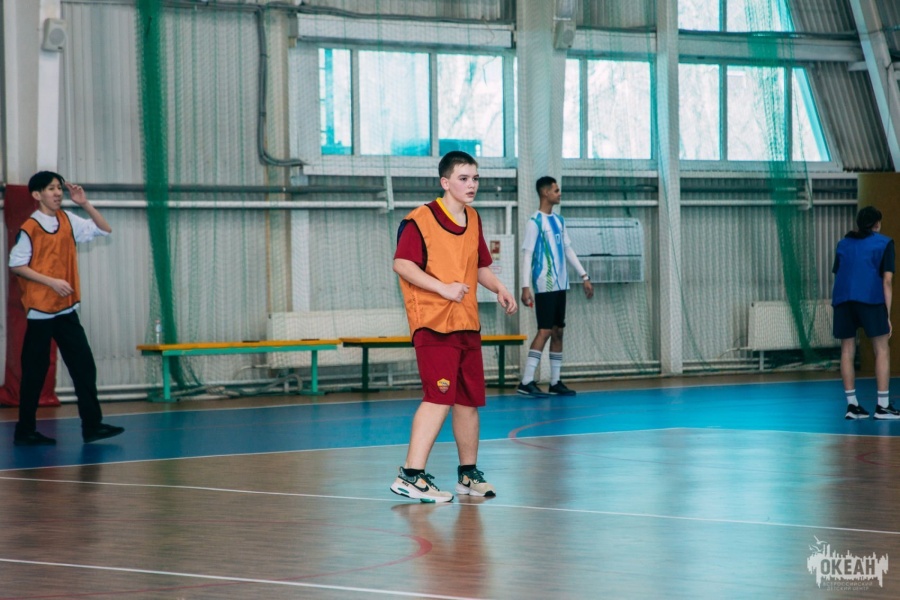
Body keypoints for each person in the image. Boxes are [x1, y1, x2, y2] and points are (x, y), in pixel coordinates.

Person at [390, 151, 517, 503]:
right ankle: (410, 475)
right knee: (438, 397)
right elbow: (402, 264)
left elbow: (478, 266)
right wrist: (443, 288)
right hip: (433, 323)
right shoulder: (421, 219)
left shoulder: (473, 218)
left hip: (466, 323)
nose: (471, 184)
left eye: (475, 178)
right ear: (445, 182)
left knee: (467, 402)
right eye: (463, 178)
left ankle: (467, 474)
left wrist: (499, 287)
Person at [9, 171, 126, 445]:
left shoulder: (67, 219)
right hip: (40, 310)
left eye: (59, 188)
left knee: (84, 366)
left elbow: (104, 229)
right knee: (35, 373)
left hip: (64, 310)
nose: (57, 193)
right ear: (37, 195)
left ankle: (92, 426)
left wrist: (84, 203)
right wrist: (51, 282)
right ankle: (25, 431)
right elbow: (16, 265)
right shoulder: (30, 228)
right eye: (51, 188)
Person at [517, 176, 593, 397]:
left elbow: (568, 249)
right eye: (556, 190)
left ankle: (555, 382)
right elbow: (527, 255)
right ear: (545, 193)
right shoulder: (535, 222)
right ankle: (526, 381)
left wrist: (584, 275)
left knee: (558, 331)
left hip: (561, 284)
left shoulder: (559, 221)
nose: (559, 194)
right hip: (545, 283)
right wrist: (525, 287)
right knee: (545, 330)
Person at [832, 205, 899, 420]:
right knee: (882, 349)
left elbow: (839, 273)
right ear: (877, 223)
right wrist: (887, 315)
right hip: (869, 298)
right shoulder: (885, 243)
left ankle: (852, 406)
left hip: (842, 300)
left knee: (847, 351)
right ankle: (883, 406)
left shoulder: (843, 243)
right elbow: (887, 281)